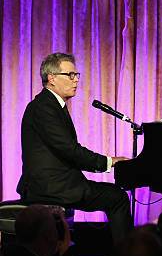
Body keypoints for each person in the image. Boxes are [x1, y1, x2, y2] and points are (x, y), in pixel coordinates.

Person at [17, 52, 132, 241]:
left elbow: (68, 150)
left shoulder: (51, 105)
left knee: (114, 196)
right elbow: (69, 149)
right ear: (51, 78)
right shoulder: (44, 107)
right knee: (117, 198)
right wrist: (109, 162)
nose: (75, 80)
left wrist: (106, 163)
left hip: (58, 183)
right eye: (70, 75)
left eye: (76, 75)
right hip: (51, 187)